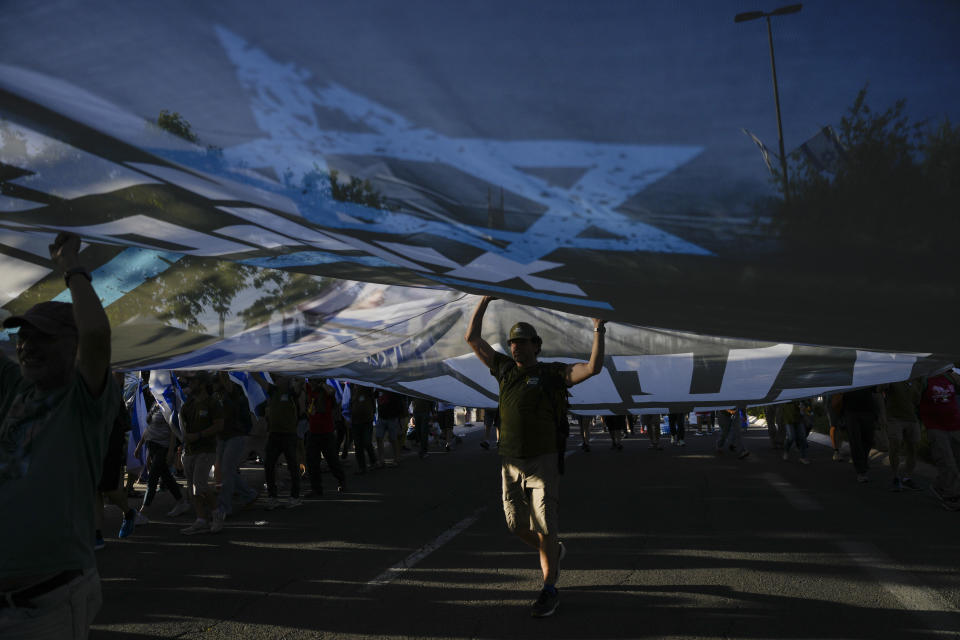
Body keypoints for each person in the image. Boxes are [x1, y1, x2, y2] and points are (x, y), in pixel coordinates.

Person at [0, 232, 116, 639]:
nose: (27, 346)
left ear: (74, 346)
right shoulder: (17, 389)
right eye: (23, 337)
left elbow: (98, 335)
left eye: (43, 336)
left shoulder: (84, 400)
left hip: (47, 606)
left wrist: (71, 268)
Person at [465, 295, 606, 618]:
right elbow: (472, 338)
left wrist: (598, 330)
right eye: (513, 342)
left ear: (536, 346)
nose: (515, 347)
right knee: (515, 524)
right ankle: (554, 552)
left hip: (543, 460)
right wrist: (484, 300)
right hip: (509, 461)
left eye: (522, 342)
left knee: (544, 524)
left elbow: (592, 368)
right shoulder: (502, 369)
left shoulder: (551, 374)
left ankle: (549, 589)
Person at [134, 380, 189, 520]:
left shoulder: (168, 405)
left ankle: (143, 512)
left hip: (163, 447)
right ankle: (181, 502)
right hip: (152, 446)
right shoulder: (155, 404)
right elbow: (149, 428)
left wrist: (171, 451)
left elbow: (172, 430)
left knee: (152, 479)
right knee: (166, 477)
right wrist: (140, 446)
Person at [177, 372, 223, 534]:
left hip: (206, 450)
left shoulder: (212, 403)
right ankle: (201, 519)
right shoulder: (187, 405)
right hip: (189, 451)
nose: (189, 384)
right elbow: (183, 428)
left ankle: (217, 514)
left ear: (202, 384)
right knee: (192, 488)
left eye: (193, 381)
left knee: (199, 485)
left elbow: (219, 425)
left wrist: (199, 435)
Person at [212, 372, 258, 530]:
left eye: (218, 382)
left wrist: (223, 374)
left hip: (236, 435)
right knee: (228, 471)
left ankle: (224, 506)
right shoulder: (217, 396)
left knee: (226, 470)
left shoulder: (235, 394)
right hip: (222, 436)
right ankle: (249, 495)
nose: (215, 386)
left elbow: (235, 404)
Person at [254, 373, 303, 509]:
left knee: (293, 466)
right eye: (277, 378)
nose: (277, 380)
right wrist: (252, 368)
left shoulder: (292, 392)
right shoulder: (273, 390)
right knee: (269, 465)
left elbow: (302, 380)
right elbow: (258, 379)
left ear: (287, 379)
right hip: (274, 435)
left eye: (280, 377)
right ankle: (272, 497)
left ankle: (295, 497)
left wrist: (294, 371)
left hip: (289, 435)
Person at [919, 369, 960, 511]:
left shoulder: (950, 377)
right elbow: (914, 399)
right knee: (947, 463)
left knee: (956, 461)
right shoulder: (924, 378)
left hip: (955, 425)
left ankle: (939, 485)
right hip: (936, 427)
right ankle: (951, 497)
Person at [303, 378, 346, 495]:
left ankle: (342, 482)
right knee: (312, 462)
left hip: (326, 432)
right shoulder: (308, 389)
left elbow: (332, 392)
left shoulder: (326, 392)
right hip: (313, 432)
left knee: (332, 460)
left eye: (313, 381)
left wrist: (321, 384)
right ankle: (316, 488)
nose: (311, 383)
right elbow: (299, 382)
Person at [880, 379, 922, 491]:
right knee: (895, 446)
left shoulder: (915, 379)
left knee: (913, 449)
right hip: (894, 418)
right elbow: (879, 389)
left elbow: (917, 400)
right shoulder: (893, 376)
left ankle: (907, 478)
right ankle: (895, 477)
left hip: (912, 418)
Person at [836, 386, 879, 483]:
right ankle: (861, 471)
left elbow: (876, 390)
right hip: (851, 411)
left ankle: (862, 462)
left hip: (868, 409)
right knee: (855, 441)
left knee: (868, 440)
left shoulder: (868, 372)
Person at [349, 383, 378, 474]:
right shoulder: (351, 386)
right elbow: (350, 401)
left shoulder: (366, 383)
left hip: (367, 419)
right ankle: (362, 467)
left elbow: (373, 397)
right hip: (355, 420)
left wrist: (373, 412)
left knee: (367, 442)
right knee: (358, 445)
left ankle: (373, 462)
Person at [375, 389, 406, 467]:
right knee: (379, 438)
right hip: (381, 417)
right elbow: (374, 396)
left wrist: (399, 416)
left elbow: (400, 403)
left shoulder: (392, 388)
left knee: (393, 439)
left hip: (392, 418)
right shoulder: (378, 389)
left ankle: (396, 459)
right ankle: (381, 460)